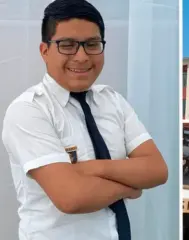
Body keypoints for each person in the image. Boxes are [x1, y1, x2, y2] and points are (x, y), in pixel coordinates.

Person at [1, 1, 168, 240]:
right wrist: (130, 186)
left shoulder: (113, 102)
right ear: (44, 50)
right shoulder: (28, 110)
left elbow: (157, 170)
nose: (81, 56)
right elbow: (72, 198)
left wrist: (91, 168)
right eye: (67, 45)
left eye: (92, 45)